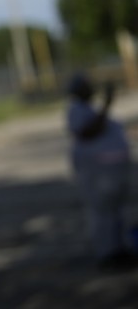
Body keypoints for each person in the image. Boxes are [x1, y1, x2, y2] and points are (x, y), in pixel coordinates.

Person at [65, 72, 137, 270]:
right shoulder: (76, 110)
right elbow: (88, 132)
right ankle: (107, 253)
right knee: (102, 213)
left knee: (117, 212)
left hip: (112, 170)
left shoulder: (90, 109)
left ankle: (119, 249)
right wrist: (107, 104)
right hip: (97, 172)